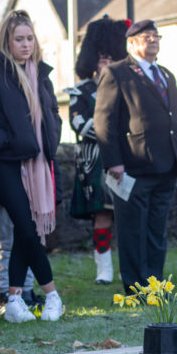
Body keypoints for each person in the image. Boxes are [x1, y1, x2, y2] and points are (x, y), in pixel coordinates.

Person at [0, 9, 64, 323]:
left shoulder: (41, 76)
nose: (26, 44)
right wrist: (6, 143)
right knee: (26, 227)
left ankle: (15, 299)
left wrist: (51, 140)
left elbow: (52, 116)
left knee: (25, 230)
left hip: (38, 166)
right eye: (19, 39)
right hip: (5, 165)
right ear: (7, 41)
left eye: (29, 38)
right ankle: (52, 295)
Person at [94, 19, 177, 293]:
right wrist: (113, 162)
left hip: (166, 166)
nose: (154, 40)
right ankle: (135, 289)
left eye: (156, 36)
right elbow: (104, 120)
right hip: (133, 166)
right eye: (147, 36)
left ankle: (154, 285)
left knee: (157, 231)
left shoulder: (166, 74)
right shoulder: (116, 73)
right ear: (131, 42)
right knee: (133, 231)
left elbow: (175, 118)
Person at [65, 17, 129, 284]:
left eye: (110, 58)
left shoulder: (127, 87)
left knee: (127, 217)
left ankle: (130, 266)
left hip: (126, 159)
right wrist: (110, 127)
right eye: (101, 59)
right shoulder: (81, 91)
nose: (105, 64)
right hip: (94, 162)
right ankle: (104, 269)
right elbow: (79, 124)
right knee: (102, 216)